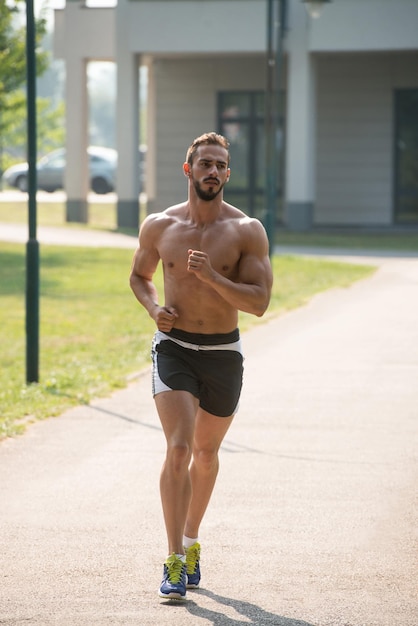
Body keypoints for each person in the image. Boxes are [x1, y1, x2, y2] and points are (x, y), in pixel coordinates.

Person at [129, 131, 273, 600]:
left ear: (228, 174)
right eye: (205, 163)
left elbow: (260, 303)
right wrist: (155, 311)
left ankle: (191, 541)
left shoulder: (246, 230)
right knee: (178, 448)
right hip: (174, 348)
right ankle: (172, 560)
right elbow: (139, 276)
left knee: (206, 455)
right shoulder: (159, 225)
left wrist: (212, 277)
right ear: (188, 170)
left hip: (222, 354)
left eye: (221, 165)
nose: (213, 171)